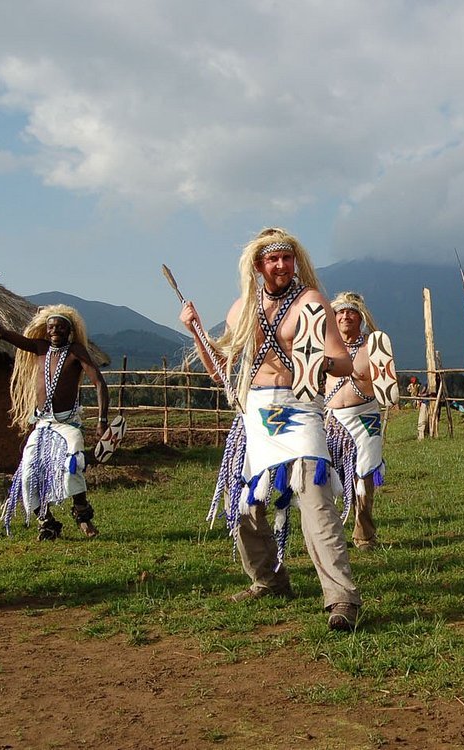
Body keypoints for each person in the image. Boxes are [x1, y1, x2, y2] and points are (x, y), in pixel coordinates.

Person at [180, 227, 362, 631]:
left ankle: (341, 598)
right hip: (256, 411)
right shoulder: (241, 309)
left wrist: (319, 364)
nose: (281, 266)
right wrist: (195, 330)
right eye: (272, 259)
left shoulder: (311, 303)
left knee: (315, 500)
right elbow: (220, 370)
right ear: (258, 265)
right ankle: (268, 580)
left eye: (287, 258)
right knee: (243, 503)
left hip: (298, 408)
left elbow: (344, 363)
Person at [0, 293, 109, 540]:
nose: (55, 330)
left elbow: (99, 383)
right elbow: (2, 333)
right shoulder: (40, 348)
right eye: (51, 326)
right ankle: (47, 521)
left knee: (73, 461)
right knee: (29, 471)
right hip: (42, 424)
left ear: (69, 330)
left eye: (60, 327)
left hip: (67, 422)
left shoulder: (76, 351)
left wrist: (102, 420)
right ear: (45, 329)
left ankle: (83, 516)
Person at [324, 292, 386, 550]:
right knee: (327, 477)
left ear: (360, 318)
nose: (346, 316)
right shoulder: (325, 346)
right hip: (333, 419)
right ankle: (330, 534)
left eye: (351, 312)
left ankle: (364, 535)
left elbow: (387, 382)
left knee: (365, 476)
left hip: (366, 417)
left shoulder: (373, 347)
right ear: (334, 318)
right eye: (340, 312)